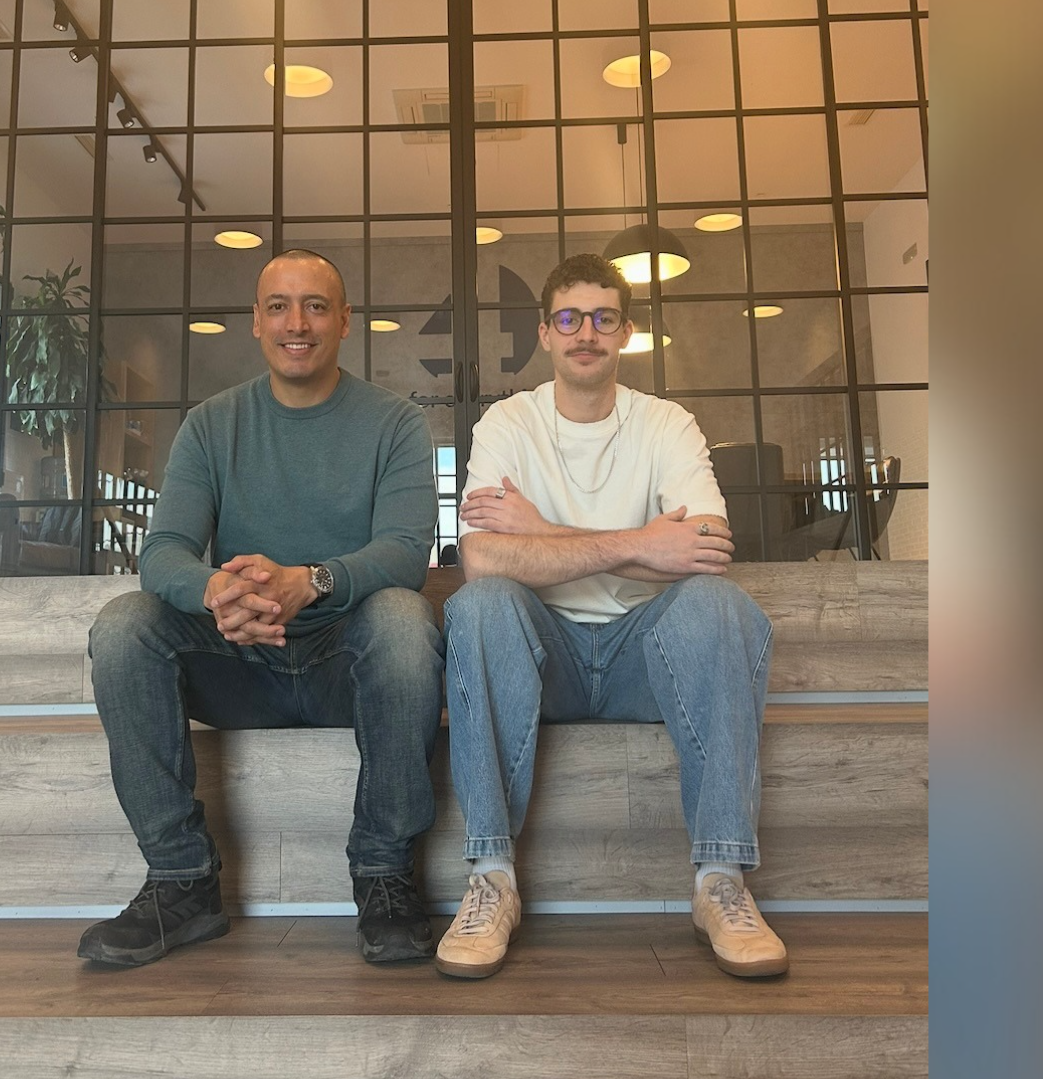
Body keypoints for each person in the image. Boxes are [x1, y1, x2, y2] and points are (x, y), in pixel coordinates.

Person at [78, 249, 443, 968]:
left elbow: (405, 551)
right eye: (279, 306)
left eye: (315, 306)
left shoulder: (395, 422)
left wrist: (313, 580)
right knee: (123, 626)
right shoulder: (211, 424)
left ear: (344, 320)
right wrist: (219, 592)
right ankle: (182, 881)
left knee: (405, 620)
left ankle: (384, 873)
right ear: (255, 321)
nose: (296, 323)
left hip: (346, 663)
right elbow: (164, 551)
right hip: (238, 660)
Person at [433, 253, 786, 979]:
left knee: (719, 605)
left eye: (602, 318)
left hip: (645, 657)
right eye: (568, 318)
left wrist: (541, 531)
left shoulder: (666, 423)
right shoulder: (509, 422)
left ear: (625, 332)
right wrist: (640, 544)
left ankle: (720, 880)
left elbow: (705, 551)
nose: (584, 332)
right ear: (544, 332)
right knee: (480, 605)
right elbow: (483, 560)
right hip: (544, 658)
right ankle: (491, 878)